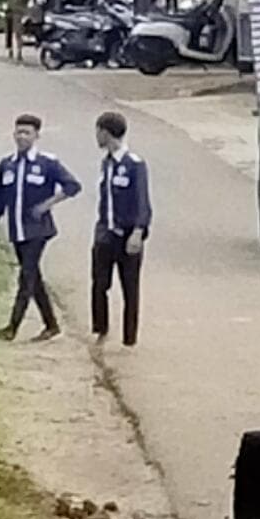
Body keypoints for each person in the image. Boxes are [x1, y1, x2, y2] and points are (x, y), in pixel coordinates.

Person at [0, 112, 81, 341]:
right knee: (34, 279)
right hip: (17, 231)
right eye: (19, 132)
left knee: (26, 277)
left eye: (27, 133)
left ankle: (12, 327)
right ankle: (51, 324)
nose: (22, 137)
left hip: (38, 230)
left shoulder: (47, 163)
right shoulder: (7, 165)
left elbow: (73, 186)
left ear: (36, 136)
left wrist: (47, 204)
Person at [88, 111, 153, 347]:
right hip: (106, 232)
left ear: (106, 132)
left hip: (127, 235)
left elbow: (142, 202)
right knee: (99, 282)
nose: (96, 137)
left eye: (98, 131)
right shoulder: (106, 163)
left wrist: (138, 231)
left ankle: (129, 337)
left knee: (130, 287)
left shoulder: (134, 165)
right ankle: (100, 327)